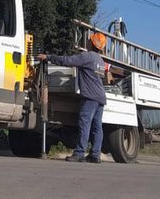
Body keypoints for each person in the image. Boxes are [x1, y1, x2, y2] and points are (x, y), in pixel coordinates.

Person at [37, 32, 108, 163]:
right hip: (100, 97)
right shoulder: (100, 61)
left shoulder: (87, 57)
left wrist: (48, 57)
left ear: (91, 43)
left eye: (89, 40)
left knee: (84, 123)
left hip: (91, 97)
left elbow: (68, 61)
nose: (86, 42)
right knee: (97, 127)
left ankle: (80, 152)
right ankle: (95, 155)